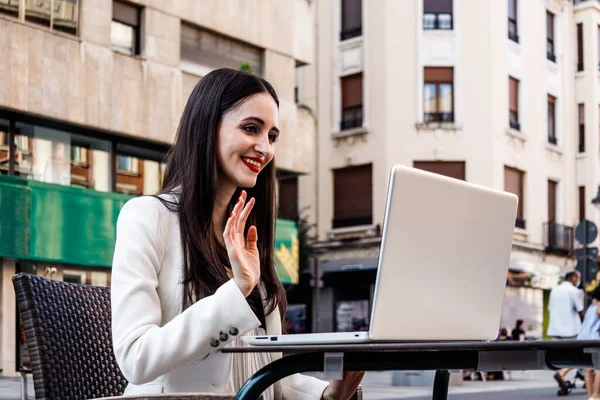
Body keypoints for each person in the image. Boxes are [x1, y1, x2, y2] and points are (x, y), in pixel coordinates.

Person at [110, 68, 364, 399]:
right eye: (250, 128)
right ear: (207, 127)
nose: (265, 148)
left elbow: (268, 374)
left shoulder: (249, 238)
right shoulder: (147, 218)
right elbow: (135, 357)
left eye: (272, 136)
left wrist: (326, 394)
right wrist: (236, 292)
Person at [547, 270, 585, 395]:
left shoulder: (554, 290)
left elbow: (550, 309)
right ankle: (561, 373)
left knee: (560, 358)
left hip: (555, 330)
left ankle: (561, 386)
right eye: (578, 278)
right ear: (574, 279)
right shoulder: (574, 291)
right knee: (579, 357)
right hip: (571, 331)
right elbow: (580, 310)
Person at [578, 287, 600, 400]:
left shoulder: (591, 308)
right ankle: (596, 396)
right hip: (596, 339)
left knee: (588, 369)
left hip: (585, 339)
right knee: (599, 368)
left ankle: (590, 396)